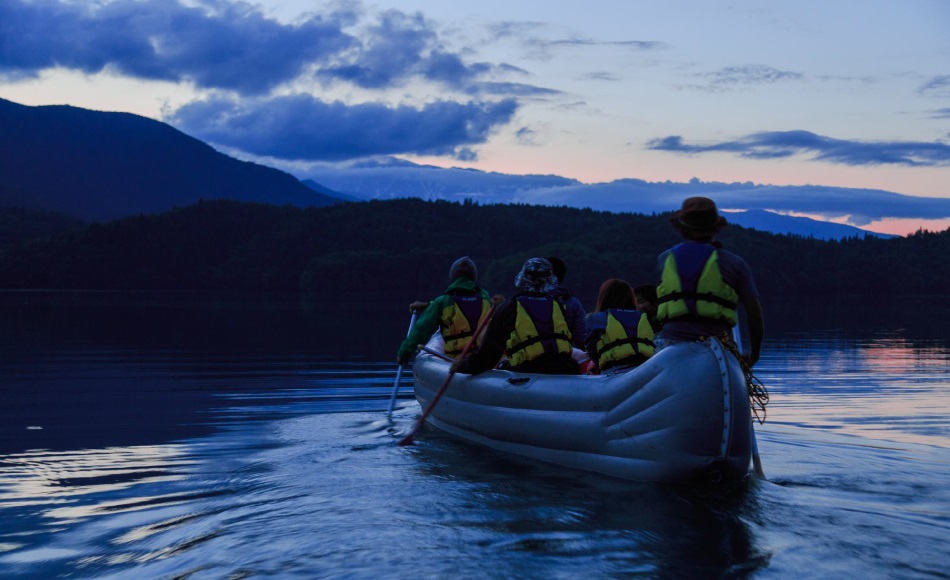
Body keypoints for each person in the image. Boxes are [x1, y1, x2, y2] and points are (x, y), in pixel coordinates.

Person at [655, 197, 764, 366]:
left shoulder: (664, 259)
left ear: (682, 229)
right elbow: (755, 315)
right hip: (718, 347)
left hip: (670, 344)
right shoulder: (735, 263)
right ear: (715, 228)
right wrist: (754, 354)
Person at [452, 258, 579, 375]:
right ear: (550, 281)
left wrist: (462, 366)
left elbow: (488, 356)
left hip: (529, 370)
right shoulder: (558, 305)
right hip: (566, 368)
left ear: (523, 279)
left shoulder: (509, 308)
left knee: (503, 364)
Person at [396, 256, 492, 365]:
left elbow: (421, 330)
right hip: (484, 358)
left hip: (456, 360)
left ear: (452, 277)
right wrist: (428, 306)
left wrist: (403, 353)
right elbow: (469, 306)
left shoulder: (443, 302)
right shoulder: (485, 296)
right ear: (474, 277)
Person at [584, 279, 655, 374]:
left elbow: (591, 349)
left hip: (614, 371)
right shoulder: (643, 317)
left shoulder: (595, 318)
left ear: (604, 297)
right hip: (646, 369)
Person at [546, 256, 588, 348]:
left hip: (530, 354)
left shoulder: (521, 301)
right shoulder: (571, 302)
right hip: (562, 353)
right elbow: (581, 337)